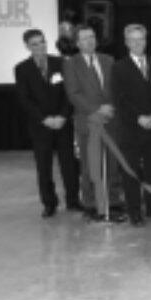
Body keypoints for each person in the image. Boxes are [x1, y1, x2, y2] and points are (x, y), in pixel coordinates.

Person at [14, 29, 81, 218]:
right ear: (27, 46)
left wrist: (62, 116)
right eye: (35, 43)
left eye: (42, 42)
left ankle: (73, 200)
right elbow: (24, 99)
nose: (40, 46)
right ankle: (49, 203)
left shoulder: (61, 63)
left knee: (69, 165)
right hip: (40, 126)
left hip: (62, 123)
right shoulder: (22, 69)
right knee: (44, 167)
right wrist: (44, 119)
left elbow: (70, 93)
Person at [63, 24, 125, 223]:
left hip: (111, 120)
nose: (89, 41)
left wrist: (110, 107)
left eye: (92, 37)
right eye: (84, 38)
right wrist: (96, 110)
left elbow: (117, 88)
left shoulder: (108, 60)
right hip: (88, 122)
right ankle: (91, 205)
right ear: (77, 43)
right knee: (91, 165)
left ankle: (114, 202)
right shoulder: (71, 64)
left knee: (112, 164)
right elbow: (73, 93)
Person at [111, 24, 151, 226]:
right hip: (130, 129)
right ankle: (135, 211)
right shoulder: (118, 67)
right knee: (131, 173)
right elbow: (120, 100)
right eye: (133, 40)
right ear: (126, 43)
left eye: (141, 39)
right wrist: (139, 118)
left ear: (146, 40)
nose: (137, 43)